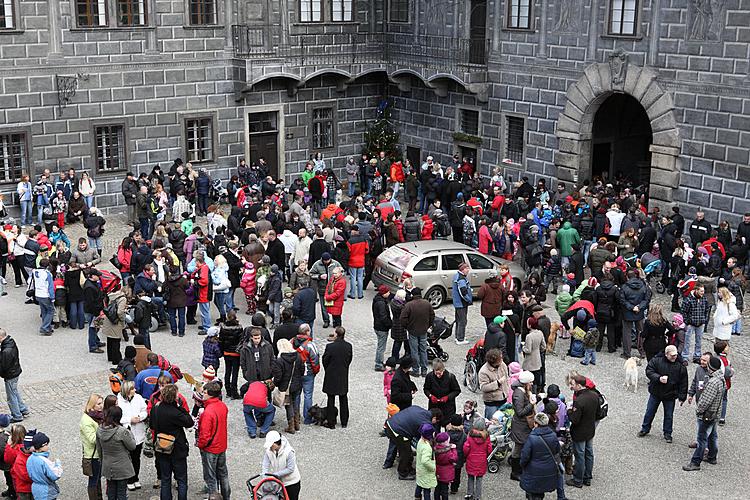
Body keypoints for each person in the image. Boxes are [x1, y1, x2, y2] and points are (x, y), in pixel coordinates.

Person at [150, 384, 194, 500]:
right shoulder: (176, 412)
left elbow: (152, 425)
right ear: (175, 397)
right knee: (181, 480)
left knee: (165, 480)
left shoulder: (156, 408)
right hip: (177, 449)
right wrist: (179, 407)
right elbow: (189, 422)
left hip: (161, 448)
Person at [682, 356, 725, 471]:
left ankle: (695, 462)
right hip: (715, 414)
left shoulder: (713, 382)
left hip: (707, 415)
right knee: (712, 436)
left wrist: (698, 410)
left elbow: (705, 402)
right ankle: (712, 457)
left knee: (702, 439)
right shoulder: (721, 379)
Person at [638, 345, 688, 444]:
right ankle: (645, 428)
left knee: (669, 415)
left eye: (675, 355)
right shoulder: (657, 360)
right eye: (672, 355)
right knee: (650, 412)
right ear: (666, 354)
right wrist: (658, 378)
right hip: (656, 392)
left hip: (670, 394)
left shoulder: (680, 365)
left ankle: (668, 433)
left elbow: (684, 382)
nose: (674, 357)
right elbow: (649, 370)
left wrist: (682, 397)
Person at [196, 381, 230, 499]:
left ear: (210, 395)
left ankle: (213, 497)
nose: (203, 394)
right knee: (223, 474)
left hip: (210, 448)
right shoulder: (222, 406)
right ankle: (226, 497)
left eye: (204, 392)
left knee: (211, 477)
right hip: (221, 445)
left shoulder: (208, 412)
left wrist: (200, 444)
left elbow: (205, 435)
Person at [565, 375, 599, 489]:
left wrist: (569, 411)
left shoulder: (579, 401)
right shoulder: (594, 395)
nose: (571, 387)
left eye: (573, 385)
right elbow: (598, 413)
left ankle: (578, 480)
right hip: (590, 430)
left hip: (580, 432)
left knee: (579, 456)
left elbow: (574, 419)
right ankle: (587, 477)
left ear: (579, 386)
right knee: (589, 453)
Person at [96, 406, 136, 500]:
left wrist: (103, 463)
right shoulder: (122, 431)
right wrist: (130, 433)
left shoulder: (99, 430)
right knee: (121, 493)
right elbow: (132, 446)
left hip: (108, 466)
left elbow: (99, 449)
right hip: (122, 467)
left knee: (111, 492)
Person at [520, 412, 561, 500]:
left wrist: (522, 465)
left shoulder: (532, 438)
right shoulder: (553, 436)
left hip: (533, 470)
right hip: (548, 469)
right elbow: (557, 450)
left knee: (533, 492)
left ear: (536, 424)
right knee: (541, 491)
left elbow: (525, 456)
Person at [116, 381, 147, 491]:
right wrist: (129, 420)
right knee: (128, 458)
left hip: (138, 431)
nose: (135, 390)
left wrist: (139, 417)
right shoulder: (118, 401)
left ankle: (136, 478)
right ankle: (129, 479)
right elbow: (117, 417)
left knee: (136, 457)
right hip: (126, 433)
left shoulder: (138, 398)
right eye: (133, 388)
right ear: (127, 391)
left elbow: (145, 410)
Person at [322, 327, 353, 429]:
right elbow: (349, 360)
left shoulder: (330, 347)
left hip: (331, 374)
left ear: (336, 334)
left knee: (330, 399)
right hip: (342, 375)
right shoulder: (348, 346)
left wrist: (329, 369)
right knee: (343, 398)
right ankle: (344, 421)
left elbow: (325, 360)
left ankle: (331, 422)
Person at [400, 288, 435, 377]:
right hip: (423, 330)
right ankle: (424, 370)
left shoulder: (409, 305)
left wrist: (407, 327)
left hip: (412, 331)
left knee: (414, 351)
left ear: (412, 295)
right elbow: (432, 315)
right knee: (423, 350)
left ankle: (416, 370)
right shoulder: (427, 303)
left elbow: (402, 319)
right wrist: (428, 325)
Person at [618, 268, 651, 359]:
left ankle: (627, 353)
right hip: (639, 312)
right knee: (641, 332)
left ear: (627, 277)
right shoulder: (643, 285)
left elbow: (622, 300)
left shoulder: (624, 287)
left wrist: (632, 307)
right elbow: (647, 299)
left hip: (628, 313)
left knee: (627, 333)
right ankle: (642, 351)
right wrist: (639, 307)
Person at [509, 371, 535, 481]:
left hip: (523, 425)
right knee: (518, 449)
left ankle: (519, 468)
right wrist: (532, 404)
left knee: (521, 447)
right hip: (520, 426)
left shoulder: (522, 390)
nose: (532, 384)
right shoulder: (519, 394)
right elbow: (520, 412)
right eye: (531, 382)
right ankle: (515, 472)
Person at [292, 324, 320, 426]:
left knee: (296, 395)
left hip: (296, 373)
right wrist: (315, 372)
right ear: (307, 332)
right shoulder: (310, 345)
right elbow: (315, 360)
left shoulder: (292, 342)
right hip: (307, 373)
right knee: (308, 395)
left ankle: (296, 417)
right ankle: (307, 418)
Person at [0, 329, 29, 423]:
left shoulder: (6, 351)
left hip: (10, 375)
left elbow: (3, 366)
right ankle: (23, 409)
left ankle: (17, 415)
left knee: (11, 396)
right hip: (15, 372)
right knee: (14, 392)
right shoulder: (10, 342)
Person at [261, 431, 301, 500]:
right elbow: (265, 464)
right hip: (279, 482)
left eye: (271, 444)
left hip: (292, 482)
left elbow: (290, 468)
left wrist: (275, 475)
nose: (270, 446)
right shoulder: (269, 450)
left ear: (276, 443)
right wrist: (264, 477)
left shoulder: (289, 451)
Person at [79, 394, 103, 500]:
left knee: (97, 479)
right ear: (92, 405)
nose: (101, 406)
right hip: (92, 456)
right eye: (98, 404)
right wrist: (105, 431)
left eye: (102, 402)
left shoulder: (97, 416)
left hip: (98, 454)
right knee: (93, 481)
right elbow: (93, 439)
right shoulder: (86, 420)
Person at [423, 360, 461, 425]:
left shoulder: (450, 377)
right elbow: (426, 389)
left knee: (448, 429)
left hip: (448, 408)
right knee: (434, 429)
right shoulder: (429, 376)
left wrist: (448, 397)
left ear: (443, 370)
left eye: (440, 373)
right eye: (436, 373)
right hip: (434, 407)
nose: (438, 375)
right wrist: (430, 396)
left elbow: (457, 390)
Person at [26, 432, 62, 500]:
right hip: (47, 492)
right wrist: (58, 464)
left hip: (36, 489)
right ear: (42, 446)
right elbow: (55, 475)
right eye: (47, 445)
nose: (48, 446)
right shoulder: (44, 461)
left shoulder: (30, 459)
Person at [463, 418, 491, 500]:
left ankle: (469, 493)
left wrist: (466, 455)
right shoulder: (486, 436)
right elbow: (489, 449)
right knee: (479, 479)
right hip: (481, 461)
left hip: (471, 460)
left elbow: (466, 448)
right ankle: (478, 496)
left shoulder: (470, 436)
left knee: (470, 477)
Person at [680, 284, 709, 363]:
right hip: (690, 324)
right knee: (687, 341)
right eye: (701, 291)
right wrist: (687, 321)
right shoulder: (688, 299)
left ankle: (697, 356)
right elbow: (683, 311)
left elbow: (707, 309)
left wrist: (704, 319)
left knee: (699, 341)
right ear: (696, 290)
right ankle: (685, 356)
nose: (703, 293)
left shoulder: (704, 299)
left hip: (700, 323)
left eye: (703, 291)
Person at [478, 348, 509, 419]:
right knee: (491, 422)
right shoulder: (484, 371)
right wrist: (498, 383)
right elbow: (483, 387)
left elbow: (506, 378)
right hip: (492, 403)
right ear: (494, 361)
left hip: (503, 399)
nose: (502, 359)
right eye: (500, 358)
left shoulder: (502, 365)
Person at [218, 312, 243, 399]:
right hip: (236, 353)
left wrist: (221, 351)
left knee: (227, 371)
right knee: (235, 372)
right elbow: (241, 341)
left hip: (226, 352)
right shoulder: (239, 327)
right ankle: (234, 391)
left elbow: (221, 341)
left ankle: (228, 390)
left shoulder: (223, 327)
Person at [82, 269, 105, 353]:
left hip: (95, 310)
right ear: (92, 276)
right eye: (97, 275)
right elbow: (90, 303)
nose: (99, 277)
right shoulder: (89, 287)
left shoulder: (93, 284)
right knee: (93, 328)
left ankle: (96, 341)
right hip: (92, 311)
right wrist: (97, 312)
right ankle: (93, 346)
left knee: (96, 327)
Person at [30, 260, 55, 336]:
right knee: (51, 311)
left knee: (44, 311)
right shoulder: (47, 274)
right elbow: (50, 287)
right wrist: (52, 297)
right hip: (45, 294)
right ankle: (44, 327)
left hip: (38, 294)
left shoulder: (35, 272)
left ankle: (47, 327)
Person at [373, 285, 393, 371]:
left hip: (378, 326)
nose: (389, 293)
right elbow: (383, 317)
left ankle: (379, 362)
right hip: (381, 327)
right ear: (384, 293)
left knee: (380, 346)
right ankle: (378, 364)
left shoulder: (377, 300)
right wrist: (390, 324)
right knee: (381, 347)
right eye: (388, 292)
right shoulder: (381, 303)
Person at [452, 262, 473, 345]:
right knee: (462, 321)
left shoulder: (456, 275)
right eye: (467, 268)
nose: (468, 270)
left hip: (457, 303)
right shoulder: (461, 279)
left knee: (458, 320)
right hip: (461, 303)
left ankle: (457, 336)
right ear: (463, 269)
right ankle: (460, 339)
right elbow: (463, 292)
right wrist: (468, 299)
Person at [415, 423, 436, 500]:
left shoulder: (420, 441)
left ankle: (417, 496)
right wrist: (432, 467)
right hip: (426, 471)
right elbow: (425, 461)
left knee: (419, 484)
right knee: (427, 489)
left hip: (420, 469)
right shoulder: (427, 447)